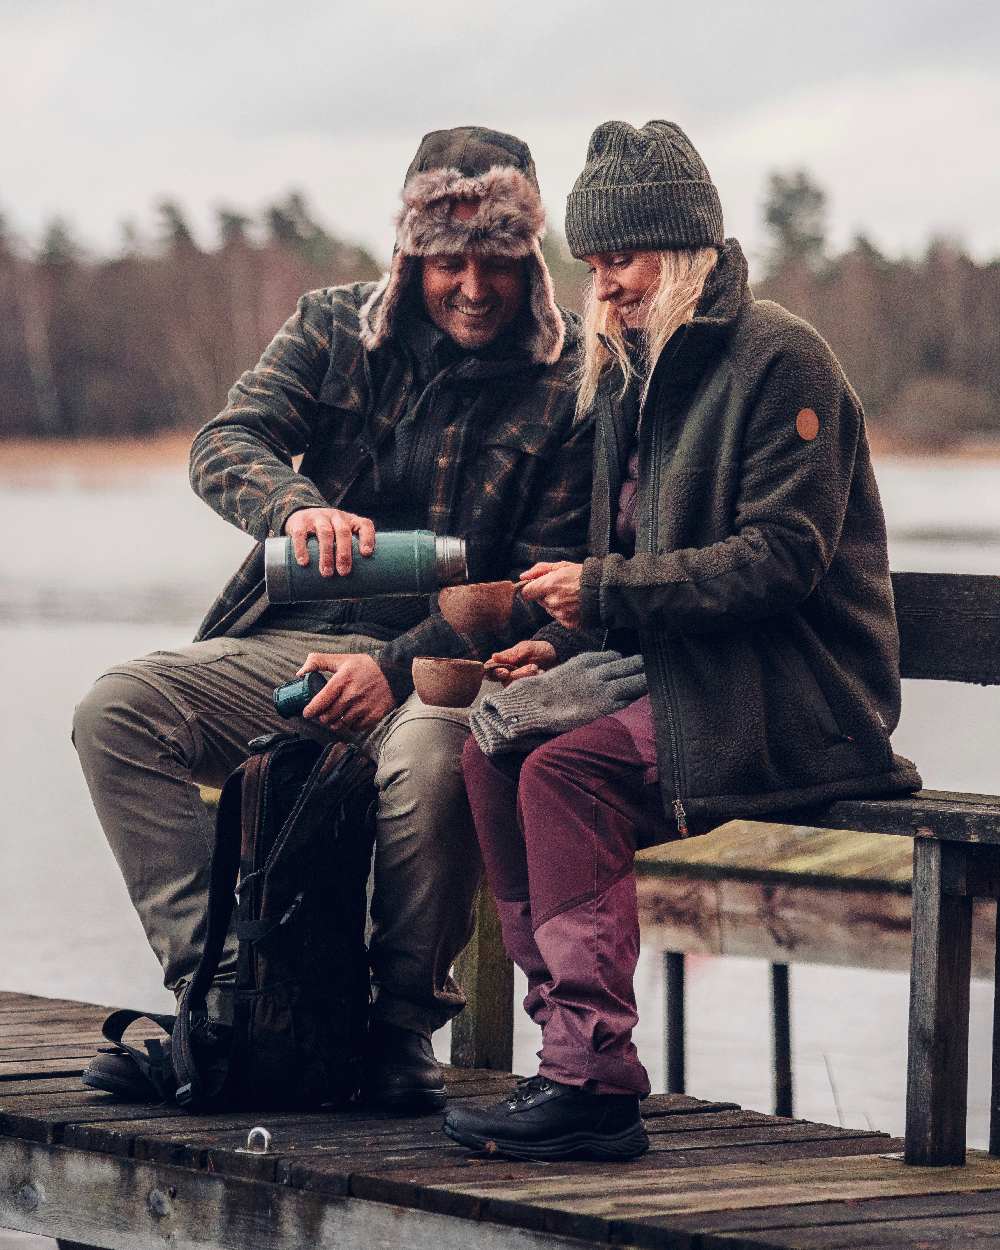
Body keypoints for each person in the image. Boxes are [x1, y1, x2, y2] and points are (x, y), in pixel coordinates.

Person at [72, 126, 592, 1112]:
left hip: (447, 671)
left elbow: (538, 587)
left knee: (434, 758)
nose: (472, 286)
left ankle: (397, 1032)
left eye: (495, 260)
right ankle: (227, 1002)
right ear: (409, 253)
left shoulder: (572, 381)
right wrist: (292, 507)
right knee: (117, 711)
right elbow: (225, 441)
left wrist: (391, 670)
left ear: (531, 258)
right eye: (447, 260)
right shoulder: (331, 327)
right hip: (285, 649)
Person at [445, 119, 921, 1160]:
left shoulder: (782, 359)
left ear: (685, 250)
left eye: (622, 258)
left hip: (795, 693)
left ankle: (592, 1084)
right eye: (592, 265)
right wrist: (562, 646)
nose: (605, 285)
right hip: (688, 674)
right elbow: (629, 564)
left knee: (565, 774)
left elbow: (781, 560)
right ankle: (565, 1051)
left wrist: (601, 592)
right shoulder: (633, 371)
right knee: (491, 753)